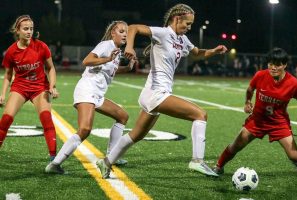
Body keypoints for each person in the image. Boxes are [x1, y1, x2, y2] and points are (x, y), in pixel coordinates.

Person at [96, 4, 227, 178]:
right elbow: (134, 28)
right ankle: (197, 160)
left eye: (191, 25)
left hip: (153, 95)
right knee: (200, 115)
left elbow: (197, 53)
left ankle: (105, 162)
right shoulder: (163, 33)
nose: (189, 28)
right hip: (156, 93)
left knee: (136, 135)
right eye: (187, 24)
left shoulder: (183, 40)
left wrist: (213, 51)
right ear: (177, 19)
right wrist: (129, 47)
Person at [45, 21, 135, 174]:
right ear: (113, 33)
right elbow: (87, 61)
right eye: (121, 31)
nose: (125, 34)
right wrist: (107, 59)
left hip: (97, 94)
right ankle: (55, 164)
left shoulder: (117, 51)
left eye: (126, 32)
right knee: (85, 129)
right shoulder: (106, 45)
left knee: (122, 116)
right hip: (87, 89)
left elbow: (110, 70)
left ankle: (112, 156)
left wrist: (127, 68)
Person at [213, 48, 297, 175]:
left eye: (277, 64)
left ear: (285, 65)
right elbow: (250, 89)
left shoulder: (293, 84)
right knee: (235, 145)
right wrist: (248, 102)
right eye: (270, 64)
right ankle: (218, 167)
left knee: (294, 156)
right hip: (257, 120)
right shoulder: (260, 75)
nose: (273, 68)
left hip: (278, 123)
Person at [0, 15, 59, 161]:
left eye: (31, 29)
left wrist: (52, 86)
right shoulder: (11, 52)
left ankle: (54, 160)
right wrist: (2, 94)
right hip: (20, 87)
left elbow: (51, 68)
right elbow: (8, 75)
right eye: (25, 29)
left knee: (46, 119)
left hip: (40, 88)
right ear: (17, 31)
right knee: (6, 119)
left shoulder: (41, 46)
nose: (29, 32)